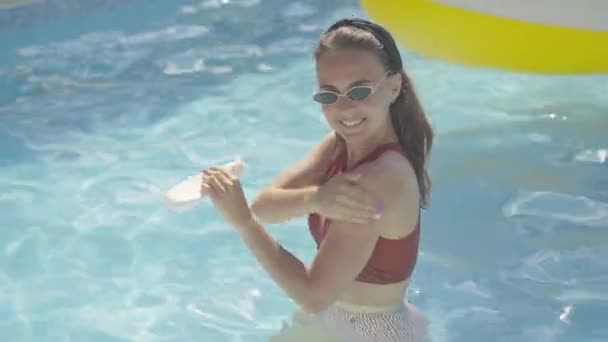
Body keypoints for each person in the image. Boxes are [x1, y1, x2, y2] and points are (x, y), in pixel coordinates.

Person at [201, 17, 434, 342]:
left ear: (394, 86)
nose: (345, 109)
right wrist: (314, 199)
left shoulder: (381, 178)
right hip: (337, 320)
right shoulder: (339, 145)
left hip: (371, 333)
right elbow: (266, 205)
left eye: (359, 90)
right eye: (329, 95)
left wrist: (244, 224)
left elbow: (314, 295)